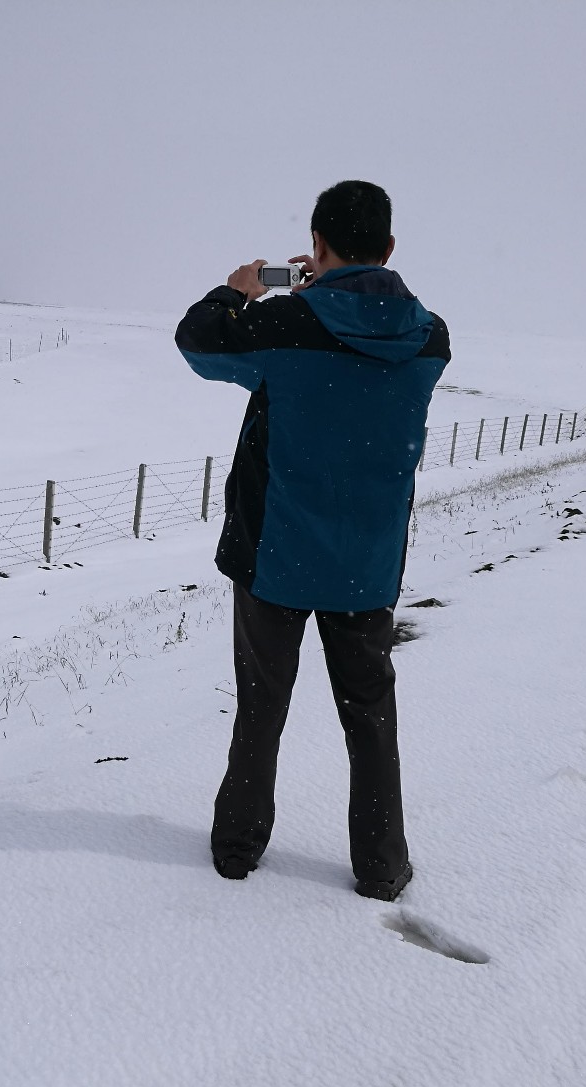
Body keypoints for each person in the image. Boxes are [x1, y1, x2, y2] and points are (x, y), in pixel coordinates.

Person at [174, 180, 450, 902]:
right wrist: (333, 286)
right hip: (367, 563)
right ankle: (383, 868)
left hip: (277, 558)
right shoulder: (429, 338)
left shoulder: (288, 324)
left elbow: (198, 342)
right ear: (389, 248)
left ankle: (236, 853)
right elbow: (363, 346)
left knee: (261, 710)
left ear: (317, 244)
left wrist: (241, 291)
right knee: (371, 717)